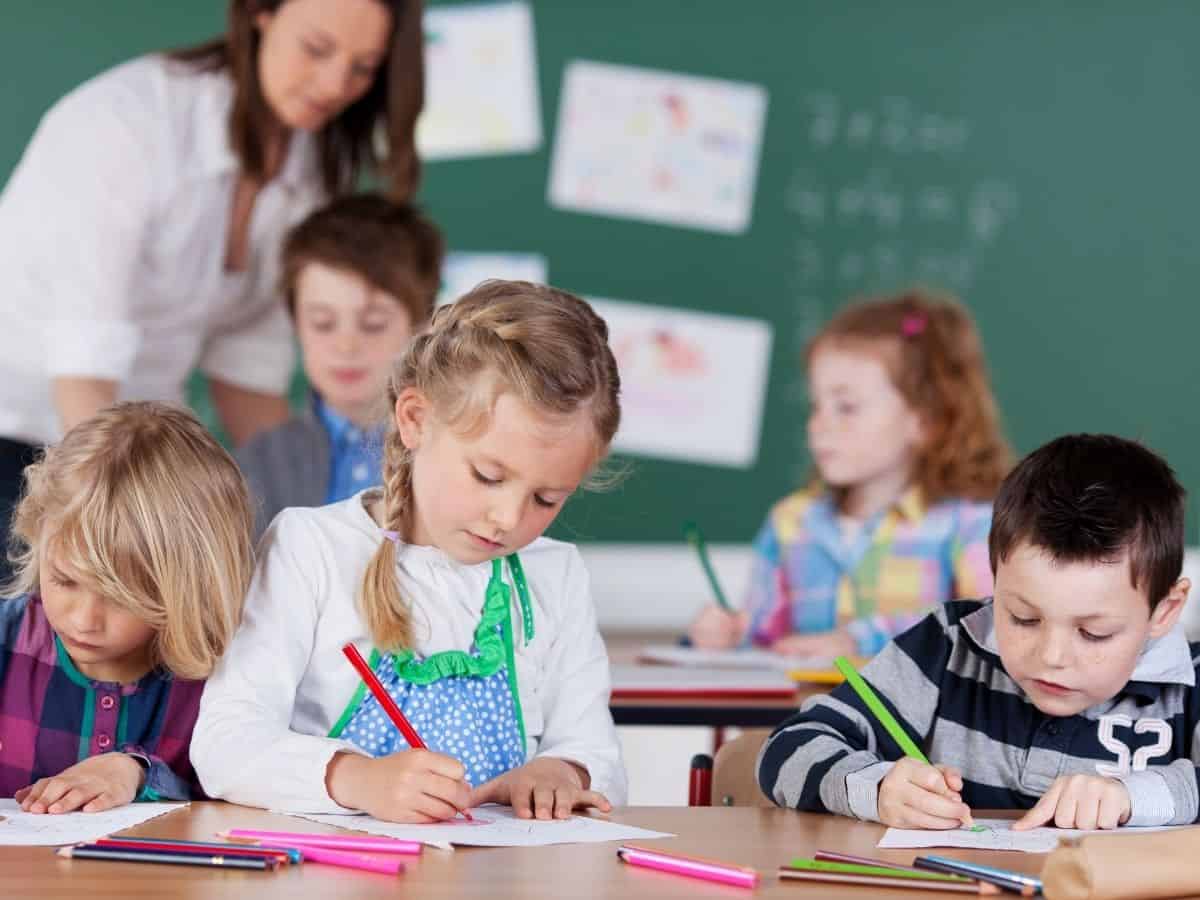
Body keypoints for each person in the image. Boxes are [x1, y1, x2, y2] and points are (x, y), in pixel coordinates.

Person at [0, 0, 425, 579]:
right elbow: (84, 371)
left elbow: (245, 376)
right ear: (259, 14)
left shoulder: (310, 168)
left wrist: (335, 533)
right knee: (60, 631)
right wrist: (134, 534)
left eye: (363, 66)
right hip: (35, 428)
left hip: (134, 437)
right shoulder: (126, 125)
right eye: (317, 49)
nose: (335, 84)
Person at [192, 280, 628, 822]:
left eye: (546, 498)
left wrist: (563, 771)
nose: (509, 519)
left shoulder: (554, 574)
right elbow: (224, 745)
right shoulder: (311, 548)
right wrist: (357, 779)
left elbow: (595, 750)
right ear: (415, 419)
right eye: (488, 475)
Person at [758, 434, 1200, 830]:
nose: (1051, 655)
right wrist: (876, 789)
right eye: (1024, 618)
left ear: (1164, 611)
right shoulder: (947, 645)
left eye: (1094, 632)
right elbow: (786, 751)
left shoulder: (1190, 685)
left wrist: (1131, 797)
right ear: (995, 577)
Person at [690, 290, 1011, 658]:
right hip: (808, 714)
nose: (818, 425)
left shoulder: (969, 524)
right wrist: (731, 634)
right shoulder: (790, 523)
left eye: (846, 407)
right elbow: (766, 636)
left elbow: (991, 622)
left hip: (915, 718)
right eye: (816, 405)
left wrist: (860, 640)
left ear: (924, 420)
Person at [0, 402, 254, 810]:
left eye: (122, 597)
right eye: (64, 580)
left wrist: (137, 772)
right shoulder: (7, 640)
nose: (83, 620)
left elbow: (247, 796)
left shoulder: (233, 674)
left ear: (192, 583)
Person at [236, 193, 444, 538]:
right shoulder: (254, 467)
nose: (346, 346)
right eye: (322, 322)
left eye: (373, 324)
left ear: (423, 325)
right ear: (296, 324)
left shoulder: (459, 455)